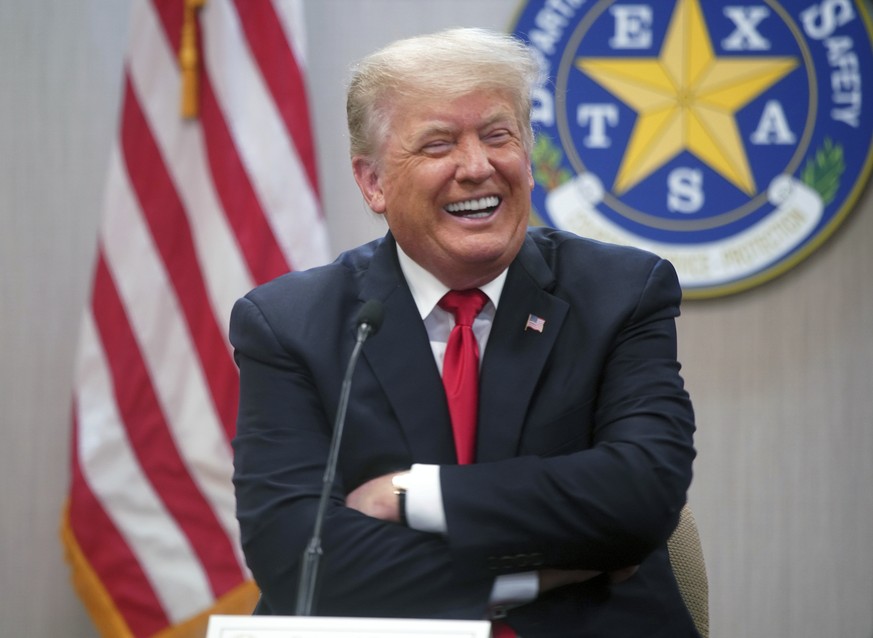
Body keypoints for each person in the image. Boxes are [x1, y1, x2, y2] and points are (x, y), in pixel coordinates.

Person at [230, 27, 698, 637]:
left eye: (499, 136)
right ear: (372, 182)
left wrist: (415, 496)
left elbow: (643, 493)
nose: (477, 167)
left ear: (527, 156)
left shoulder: (621, 292)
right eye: (437, 144)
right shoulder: (290, 324)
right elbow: (298, 558)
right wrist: (544, 573)